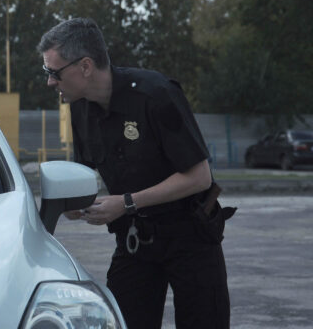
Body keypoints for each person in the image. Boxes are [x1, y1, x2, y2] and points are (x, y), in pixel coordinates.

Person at [37, 18, 232, 329]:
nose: (49, 82)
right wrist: (76, 203)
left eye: (54, 73)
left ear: (85, 66)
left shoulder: (155, 95)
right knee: (122, 322)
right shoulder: (80, 107)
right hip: (135, 241)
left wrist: (127, 203)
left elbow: (199, 177)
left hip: (190, 236)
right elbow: (83, 174)